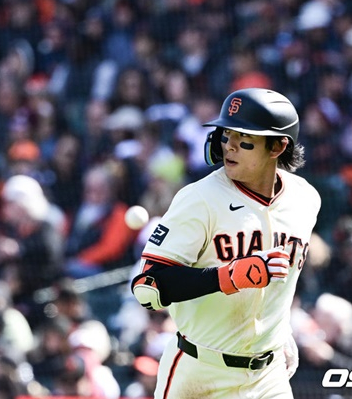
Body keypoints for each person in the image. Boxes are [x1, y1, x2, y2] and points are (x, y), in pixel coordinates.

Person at [131, 88, 321, 398]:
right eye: (226, 134)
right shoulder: (198, 199)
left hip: (268, 376)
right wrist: (227, 277)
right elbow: (147, 288)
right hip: (200, 372)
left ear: (277, 146)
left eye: (244, 139)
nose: (230, 146)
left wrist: (279, 329)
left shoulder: (305, 199)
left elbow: (284, 283)